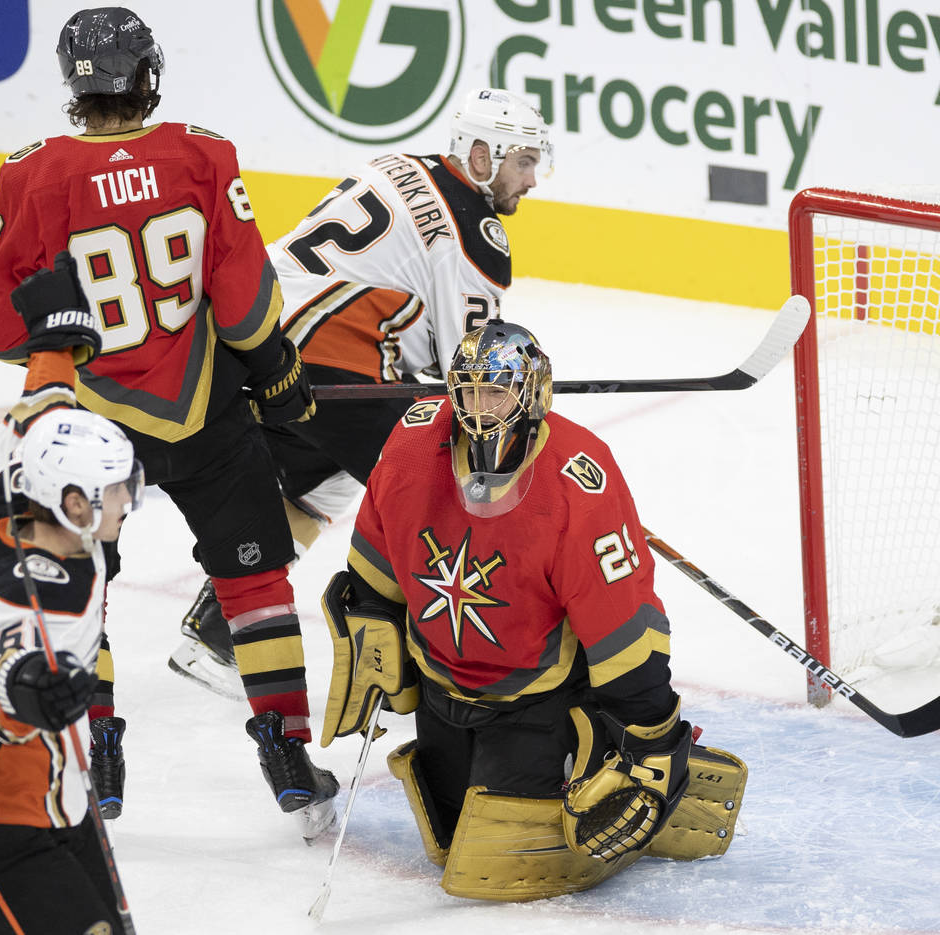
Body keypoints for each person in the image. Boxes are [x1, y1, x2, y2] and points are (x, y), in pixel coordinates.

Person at [0, 7, 337, 840]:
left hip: (91, 426)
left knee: (78, 579)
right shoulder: (204, 155)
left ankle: (95, 749)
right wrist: (275, 368)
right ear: (146, 74)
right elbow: (242, 306)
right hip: (205, 408)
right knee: (254, 580)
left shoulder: (31, 175)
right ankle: (286, 750)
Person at [316, 320, 749, 900]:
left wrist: (653, 737)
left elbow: (621, 622)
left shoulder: (577, 479)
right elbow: (374, 563)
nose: (479, 409)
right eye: (468, 391)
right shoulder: (413, 445)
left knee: (500, 859)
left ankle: (604, 741)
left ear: (533, 393)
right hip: (443, 686)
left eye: (495, 392)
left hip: (539, 697)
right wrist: (372, 632)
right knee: (448, 839)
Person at [168, 87, 554, 696]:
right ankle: (475, 659)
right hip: (326, 360)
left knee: (322, 483)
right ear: (482, 156)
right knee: (454, 481)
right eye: (524, 162)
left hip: (252, 332)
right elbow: (469, 369)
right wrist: (523, 406)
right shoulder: (475, 233)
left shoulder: (399, 165)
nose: (532, 180)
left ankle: (217, 636)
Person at [0, 409, 143, 934]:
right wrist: (28, 687)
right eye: (115, 489)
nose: (128, 501)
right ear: (74, 502)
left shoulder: (7, 509)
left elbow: (24, 443)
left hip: (56, 795)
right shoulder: (27, 601)